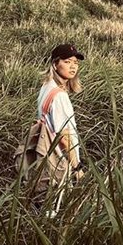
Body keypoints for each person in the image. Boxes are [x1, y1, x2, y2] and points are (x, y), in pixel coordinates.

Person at [35, 43, 86, 213]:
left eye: (76, 63)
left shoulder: (46, 87)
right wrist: (77, 168)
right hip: (58, 163)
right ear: (55, 64)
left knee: (46, 209)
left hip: (46, 158)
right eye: (67, 61)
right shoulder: (59, 96)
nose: (73, 66)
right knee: (56, 211)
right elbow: (64, 136)